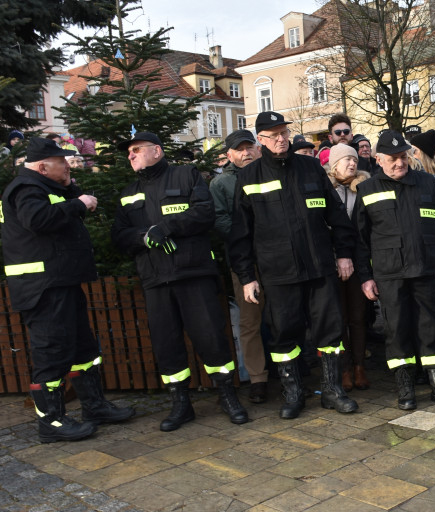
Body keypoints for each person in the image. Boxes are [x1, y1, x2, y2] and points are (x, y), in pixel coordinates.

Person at [1, 138, 134, 442]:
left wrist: (71, 189)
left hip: (62, 283)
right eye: (61, 161)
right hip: (43, 288)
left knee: (83, 350)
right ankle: (51, 422)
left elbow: (61, 210)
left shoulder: (45, 187)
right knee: (52, 353)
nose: (68, 164)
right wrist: (77, 203)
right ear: (42, 166)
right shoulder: (25, 188)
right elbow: (38, 219)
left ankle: (94, 406)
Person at [112, 132, 247, 431]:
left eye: (137, 149)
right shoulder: (128, 192)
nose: (131, 155)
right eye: (129, 152)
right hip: (156, 280)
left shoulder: (186, 176)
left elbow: (204, 213)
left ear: (157, 151)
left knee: (211, 336)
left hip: (193, 274)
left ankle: (227, 396)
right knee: (167, 344)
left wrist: (166, 228)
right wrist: (142, 237)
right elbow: (119, 236)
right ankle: (180, 404)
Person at [229, 112, 358, 419]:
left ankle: (332, 390)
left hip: (319, 267)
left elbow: (337, 217)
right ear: (260, 140)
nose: (281, 139)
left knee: (330, 330)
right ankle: (293, 392)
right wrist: (247, 277)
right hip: (278, 272)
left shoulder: (310, 167)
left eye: (284, 133)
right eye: (273, 135)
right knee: (285, 334)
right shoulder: (249, 178)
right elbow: (240, 235)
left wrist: (344, 254)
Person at [355, 130, 435, 409]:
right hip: (389, 273)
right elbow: (359, 240)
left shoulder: (428, 184)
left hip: (426, 269)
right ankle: (405, 386)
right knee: (396, 329)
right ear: (378, 160)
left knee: (430, 326)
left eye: (403, 157)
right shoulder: (367, 190)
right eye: (392, 159)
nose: (399, 163)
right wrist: (366, 278)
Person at [209, 129, 269, 403]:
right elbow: (219, 221)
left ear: (258, 148)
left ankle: (292, 370)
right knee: (250, 320)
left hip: (277, 257)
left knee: (284, 315)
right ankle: (258, 378)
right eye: (239, 149)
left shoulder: (272, 172)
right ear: (229, 154)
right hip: (243, 261)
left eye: (249, 147)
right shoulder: (220, 184)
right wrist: (245, 234)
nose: (246, 153)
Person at [325, 143, 372, 391]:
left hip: (358, 261)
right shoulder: (326, 191)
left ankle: (359, 367)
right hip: (332, 262)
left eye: (354, 160)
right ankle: (344, 369)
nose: (352, 164)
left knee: (357, 317)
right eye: (346, 161)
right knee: (339, 318)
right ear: (334, 165)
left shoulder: (363, 189)